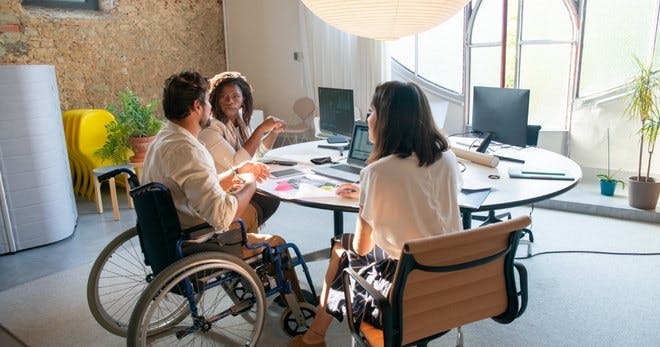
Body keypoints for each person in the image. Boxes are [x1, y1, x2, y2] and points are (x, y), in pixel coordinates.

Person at [288, 81, 463, 347]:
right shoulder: (446, 157)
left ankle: (313, 337)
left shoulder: (378, 172)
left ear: (387, 121)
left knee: (344, 248)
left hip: (403, 288)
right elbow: (428, 200)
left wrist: (369, 195)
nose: (367, 119)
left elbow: (362, 246)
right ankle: (314, 336)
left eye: (371, 112)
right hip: (449, 278)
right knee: (341, 247)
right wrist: (368, 193)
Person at [142, 70, 282, 259]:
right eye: (208, 101)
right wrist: (250, 183)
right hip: (199, 242)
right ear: (197, 106)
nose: (211, 107)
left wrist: (237, 172)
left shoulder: (164, 138)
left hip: (171, 232)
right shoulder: (189, 150)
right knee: (278, 243)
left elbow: (198, 183)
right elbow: (221, 216)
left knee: (254, 211)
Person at [198, 71, 285, 231]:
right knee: (268, 198)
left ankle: (248, 235)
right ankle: (243, 236)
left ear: (243, 100)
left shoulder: (239, 124)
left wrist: (272, 132)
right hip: (221, 193)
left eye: (235, 96)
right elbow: (238, 164)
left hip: (236, 186)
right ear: (215, 99)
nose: (230, 101)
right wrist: (260, 130)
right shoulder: (211, 129)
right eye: (223, 96)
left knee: (272, 197)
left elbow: (255, 153)